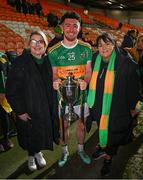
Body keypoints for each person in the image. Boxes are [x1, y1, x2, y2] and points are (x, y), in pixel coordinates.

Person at [86, 33, 139, 176]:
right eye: (100, 45)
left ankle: (108, 160)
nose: (104, 48)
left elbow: (133, 89)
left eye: (107, 44)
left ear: (114, 44)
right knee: (102, 128)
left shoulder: (125, 63)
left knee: (113, 135)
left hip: (116, 108)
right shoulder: (95, 58)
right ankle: (102, 146)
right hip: (98, 105)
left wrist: (132, 108)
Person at [6, 30, 57, 171]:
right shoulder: (19, 62)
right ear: (29, 43)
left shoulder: (48, 61)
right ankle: (30, 156)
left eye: (41, 41)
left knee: (40, 133)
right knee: (30, 134)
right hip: (28, 107)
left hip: (44, 107)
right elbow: (11, 91)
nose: (37, 44)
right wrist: (20, 111)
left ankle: (38, 152)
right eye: (33, 41)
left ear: (45, 44)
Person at [48, 11, 92, 167]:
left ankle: (80, 149)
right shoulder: (53, 51)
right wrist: (55, 81)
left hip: (82, 96)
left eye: (75, 25)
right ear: (62, 27)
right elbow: (53, 74)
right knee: (63, 126)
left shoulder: (86, 48)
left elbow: (88, 71)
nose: (71, 29)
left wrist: (86, 81)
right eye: (68, 25)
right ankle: (65, 151)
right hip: (62, 97)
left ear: (80, 28)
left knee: (81, 124)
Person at [0, 52, 14, 152]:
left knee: (3, 114)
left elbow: (5, 76)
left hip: (2, 92)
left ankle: (6, 139)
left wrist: (3, 92)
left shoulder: (2, 57)